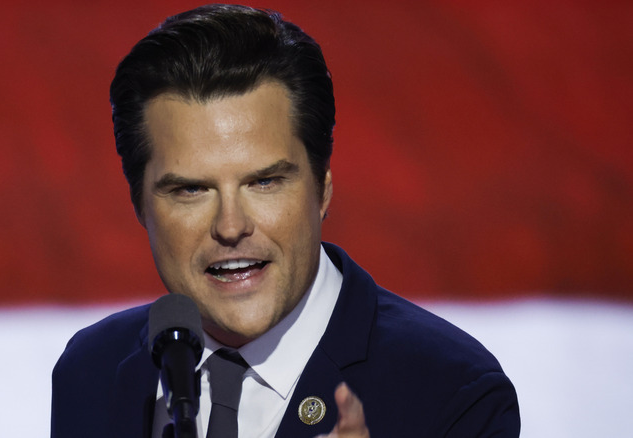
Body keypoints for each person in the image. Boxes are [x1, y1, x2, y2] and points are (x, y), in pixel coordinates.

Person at [51, 4, 520, 438]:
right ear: (139, 204)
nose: (230, 226)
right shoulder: (92, 373)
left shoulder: (451, 395)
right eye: (191, 190)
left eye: (264, 182)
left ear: (322, 188)